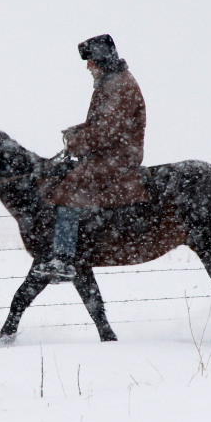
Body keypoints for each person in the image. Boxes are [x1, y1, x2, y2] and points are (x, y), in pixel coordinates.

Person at [35, 34, 149, 282]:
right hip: (106, 155)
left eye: (91, 61)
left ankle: (64, 259)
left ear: (101, 60)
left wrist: (77, 142)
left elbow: (108, 130)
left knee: (69, 190)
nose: (88, 66)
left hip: (117, 158)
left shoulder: (120, 85)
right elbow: (99, 124)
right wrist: (77, 132)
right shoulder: (110, 82)